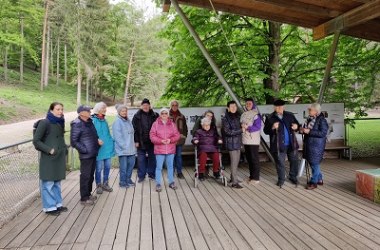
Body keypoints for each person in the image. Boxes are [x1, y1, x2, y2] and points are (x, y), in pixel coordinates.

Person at [33, 102, 67, 216]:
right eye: (58, 109)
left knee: (57, 182)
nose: (60, 111)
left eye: (61, 109)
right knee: (48, 183)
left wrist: (64, 149)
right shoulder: (45, 123)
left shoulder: (60, 122)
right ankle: (49, 207)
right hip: (49, 158)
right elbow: (36, 141)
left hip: (58, 157)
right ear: (51, 110)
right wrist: (49, 150)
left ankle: (57, 204)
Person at [264, 99, 300, 188]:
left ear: (284, 107)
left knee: (294, 161)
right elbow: (265, 131)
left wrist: (297, 127)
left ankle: (293, 177)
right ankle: (281, 179)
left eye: (281, 106)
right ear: (274, 107)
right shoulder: (270, 117)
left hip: (291, 143)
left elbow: (297, 125)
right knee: (280, 162)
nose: (279, 108)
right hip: (278, 144)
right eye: (277, 107)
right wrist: (272, 127)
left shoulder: (290, 115)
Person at [70, 105, 101, 205]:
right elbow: (74, 141)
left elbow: (93, 135)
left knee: (91, 175)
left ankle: (88, 193)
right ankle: (84, 198)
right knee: (85, 176)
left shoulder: (89, 122)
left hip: (93, 153)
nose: (90, 111)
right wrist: (85, 150)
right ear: (81, 113)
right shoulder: (77, 124)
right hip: (86, 155)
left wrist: (97, 141)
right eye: (88, 110)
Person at [150, 108, 180, 192]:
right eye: (162, 113)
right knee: (159, 167)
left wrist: (170, 140)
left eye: (166, 113)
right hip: (159, 149)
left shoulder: (173, 124)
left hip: (170, 149)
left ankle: (171, 182)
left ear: (168, 114)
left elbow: (177, 135)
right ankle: (158, 184)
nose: (164, 114)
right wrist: (160, 141)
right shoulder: (155, 124)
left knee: (170, 167)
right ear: (160, 114)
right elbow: (152, 136)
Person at [300, 103, 328, 190]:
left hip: (316, 146)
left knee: (314, 163)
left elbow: (323, 133)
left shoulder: (322, 120)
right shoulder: (309, 119)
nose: (308, 111)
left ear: (316, 111)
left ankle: (313, 182)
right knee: (313, 163)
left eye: (310, 110)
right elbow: (307, 129)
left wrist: (309, 131)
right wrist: (302, 130)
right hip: (310, 144)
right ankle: (319, 179)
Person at [132, 98, 159, 183]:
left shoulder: (155, 115)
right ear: (141, 106)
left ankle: (151, 174)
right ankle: (141, 176)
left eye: (147, 105)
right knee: (141, 160)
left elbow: (159, 128)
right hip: (140, 141)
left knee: (152, 159)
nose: (145, 107)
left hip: (152, 142)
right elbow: (134, 130)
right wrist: (136, 141)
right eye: (144, 105)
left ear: (150, 106)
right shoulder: (136, 116)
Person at [92, 102, 115, 194]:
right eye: (103, 108)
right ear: (98, 109)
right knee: (98, 168)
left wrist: (112, 143)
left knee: (107, 167)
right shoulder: (93, 120)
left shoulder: (105, 120)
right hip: (99, 149)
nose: (105, 110)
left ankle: (105, 183)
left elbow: (108, 134)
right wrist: (96, 140)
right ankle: (98, 185)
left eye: (105, 108)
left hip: (107, 148)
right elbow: (91, 134)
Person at [112, 104, 136, 188]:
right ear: (119, 112)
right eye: (122, 111)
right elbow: (117, 137)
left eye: (125, 111)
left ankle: (128, 179)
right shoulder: (117, 122)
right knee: (124, 167)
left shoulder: (128, 120)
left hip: (131, 148)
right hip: (123, 149)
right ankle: (122, 182)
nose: (124, 112)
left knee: (131, 165)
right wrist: (124, 146)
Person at [221, 101, 243, 189]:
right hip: (231, 143)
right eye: (231, 106)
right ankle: (234, 182)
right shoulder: (225, 118)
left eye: (235, 106)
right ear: (228, 108)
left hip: (238, 142)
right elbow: (228, 132)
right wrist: (241, 130)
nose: (233, 108)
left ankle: (232, 178)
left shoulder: (238, 116)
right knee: (234, 163)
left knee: (236, 162)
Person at [241, 98, 262, 184]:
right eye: (246, 104)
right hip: (245, 140)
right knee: (249, 159)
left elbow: (258, 127)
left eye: (250, 103)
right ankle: (251, 176)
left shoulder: (256, 114)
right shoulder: (243, 114)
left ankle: (256, 178)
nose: (248, 105)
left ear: (253, 104)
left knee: (254, 159)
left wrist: (248, 128)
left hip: (253, 140)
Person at [169, 100, 188, 179]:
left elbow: (185, 128)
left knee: (178, 156)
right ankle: (171, 172)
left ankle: (179, 172)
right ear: (170, 106)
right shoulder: (166, 115)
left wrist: (183, 136)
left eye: (176, 105)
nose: (174, 106)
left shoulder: (182, 116)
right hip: (170, 141)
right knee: (171, 157)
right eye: (173, 105)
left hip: (179, 140)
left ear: (178, 106)